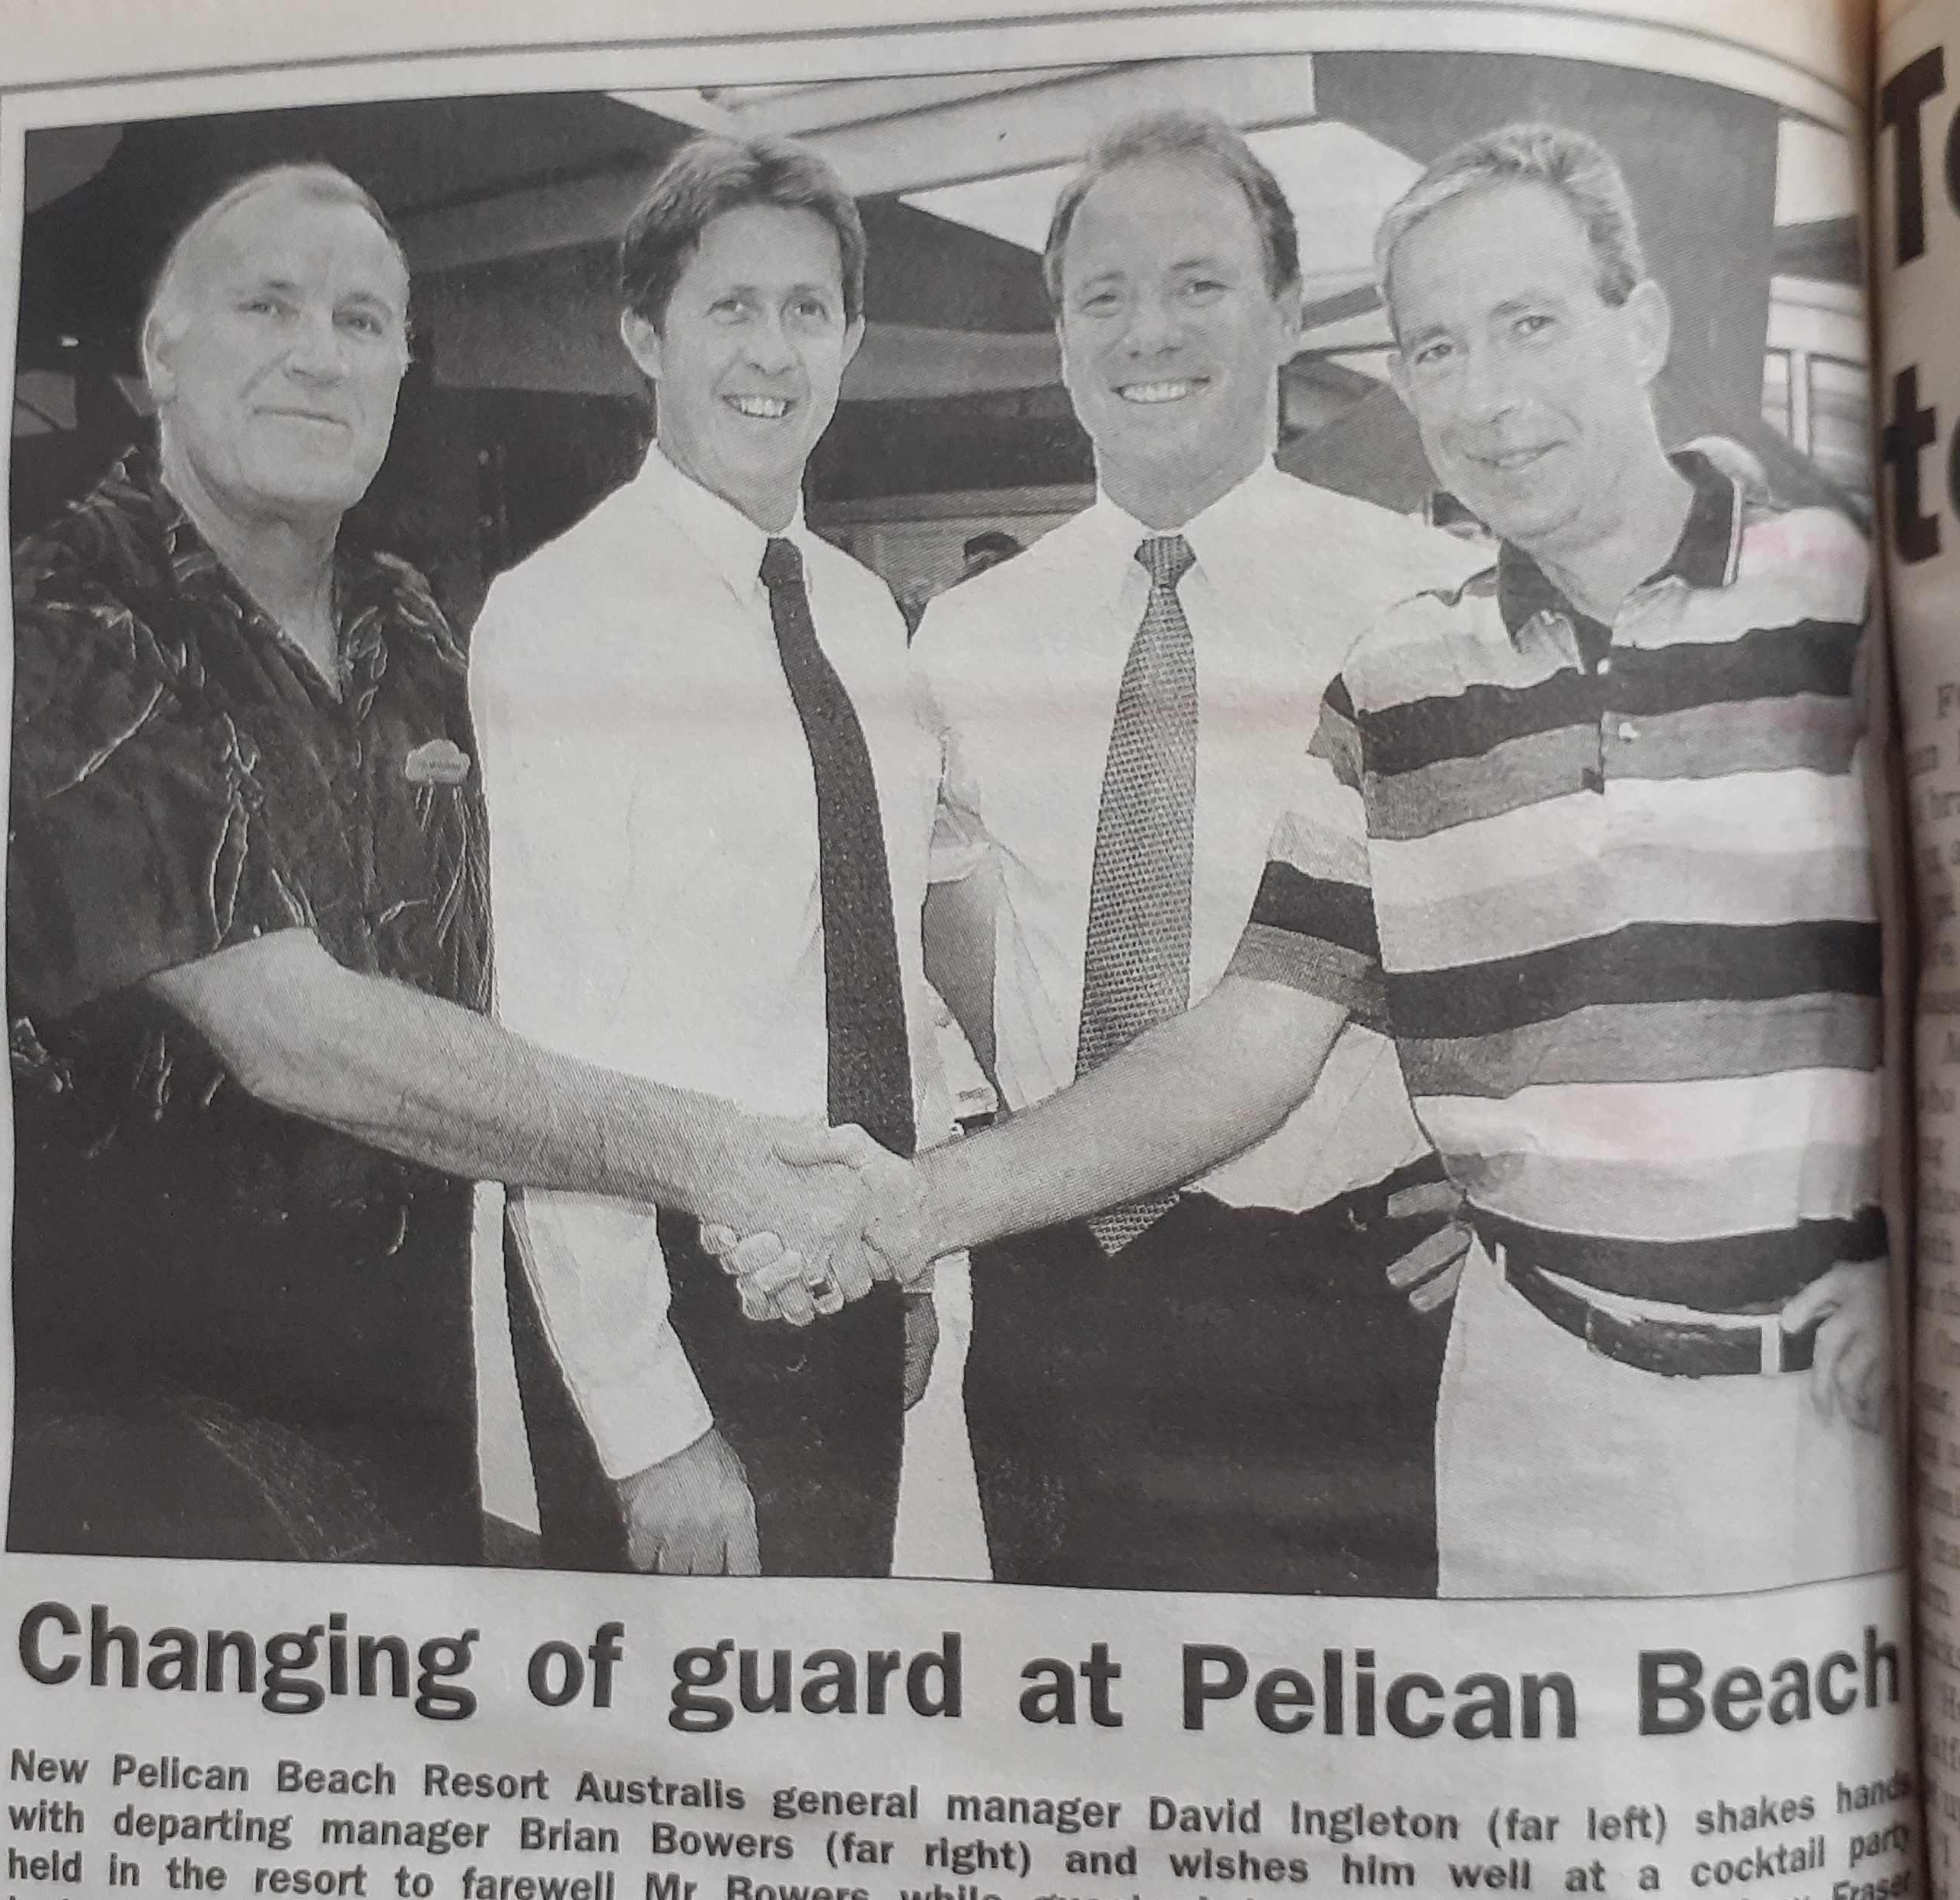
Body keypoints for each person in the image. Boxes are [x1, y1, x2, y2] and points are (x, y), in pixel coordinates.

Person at [743, 123, 1894, 1599]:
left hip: (1373, 1299)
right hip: (1093, 1286)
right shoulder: (1403, 672)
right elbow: (1233, 1027)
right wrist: (915, 1201)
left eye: (1528, 325)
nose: (1485, 396)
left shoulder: (1787, 590)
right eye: (1437, 350)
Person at [6, 162, 900, 1567]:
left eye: (365, 322)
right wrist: (715, 1164)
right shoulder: (58, 621)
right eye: (267, 306)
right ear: (156, 356)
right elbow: (294, 1034)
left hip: (409, 1401)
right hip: (143, 1432)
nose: (320, 354)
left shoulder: (409, 625)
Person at [903, 112, 1483, 1594]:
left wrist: (1520, 1183)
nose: (1144, 330)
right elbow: (952, 943)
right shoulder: (968, 637)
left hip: (1335, 1298)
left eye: (1198, 283)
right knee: (1075, 1770)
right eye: (1100, 296)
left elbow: (1568, 930)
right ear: (1058, 335)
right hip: (1052, 1290)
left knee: (1329, 1778)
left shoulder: (1427, 599)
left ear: (1288, 311)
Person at [468, 136, 946, 1579]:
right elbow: (543, 1061)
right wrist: (649, 1425)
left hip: (844, 1263)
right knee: (658, 1770)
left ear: (851, 340)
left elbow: (884, 962)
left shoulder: (865, 617)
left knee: (820, 1750)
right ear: (643, 336)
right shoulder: (559, 616)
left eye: (808, 311)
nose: (772, 352)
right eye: (728, 308)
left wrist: (911, 1254)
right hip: (657, 1286)